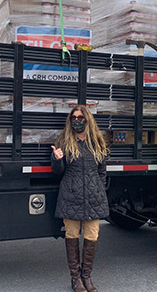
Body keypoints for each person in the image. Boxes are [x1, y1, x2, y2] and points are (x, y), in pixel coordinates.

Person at [51, 105, 109, 292]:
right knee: (72, 237)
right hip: (71, 196)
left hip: (93, 198)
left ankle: (87, 277)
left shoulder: (97, 142)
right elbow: (57, 173)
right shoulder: (63, 141)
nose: (77, 120)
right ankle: (75, 278)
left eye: (81, 117)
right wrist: (57, 159)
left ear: (87, 120)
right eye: (74, 117)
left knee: (92, 237)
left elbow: (102, 172)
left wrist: (98, 189)